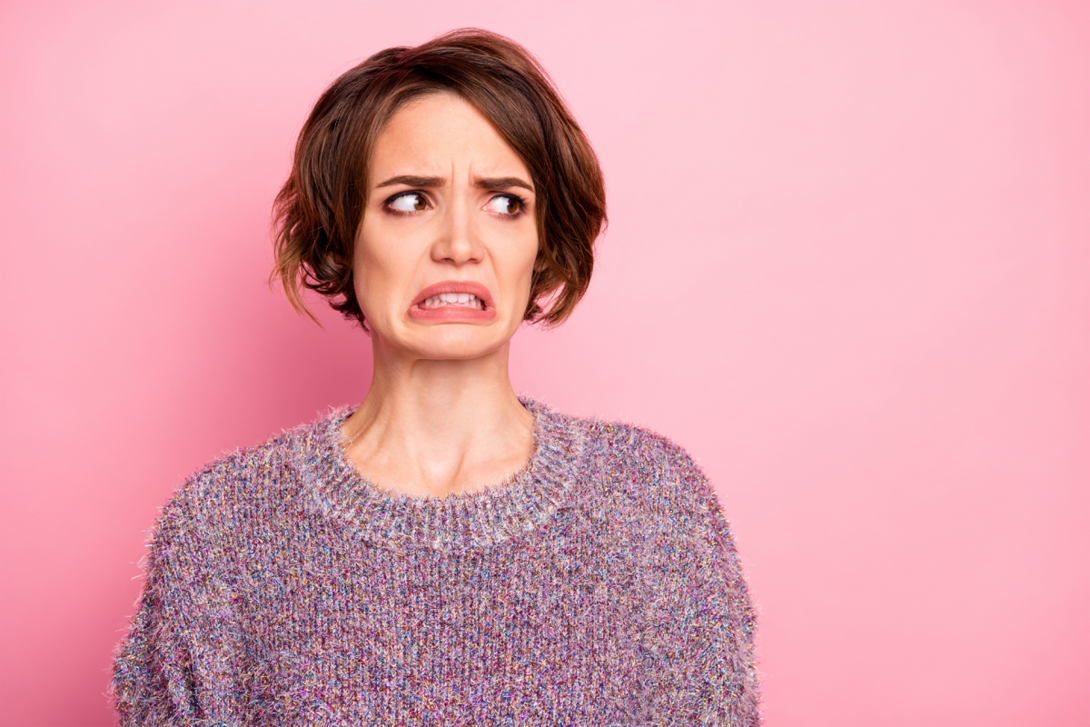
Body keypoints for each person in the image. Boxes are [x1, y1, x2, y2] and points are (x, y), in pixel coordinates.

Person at [111, 28, 760, 725]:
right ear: (342, 236)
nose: (458, 245)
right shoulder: (221, 530)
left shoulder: (654, 505)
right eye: (410, 200)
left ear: (542, 243)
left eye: (505, 202)